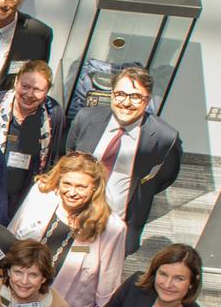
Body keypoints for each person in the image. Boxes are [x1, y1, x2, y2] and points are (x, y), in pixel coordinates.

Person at [65, 64, 181, 254]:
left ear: (147, 100)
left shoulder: (165, 137)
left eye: (135, 96)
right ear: (112, 94)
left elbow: (164, 178)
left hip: (116, 227)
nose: (126, 103)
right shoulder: (86, 118)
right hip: (73, 218)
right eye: (120, 94)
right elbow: (68, 157)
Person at [8, 152, 126, 307]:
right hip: (16, 296)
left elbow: (109, 279)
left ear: (94, 187)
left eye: (81, 187)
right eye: (67, 184)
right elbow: (12, 235)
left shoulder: (111, 227)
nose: (72, 192)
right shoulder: (40, 194)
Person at [0, 60, 67, 217]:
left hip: (25, 199)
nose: (29, 94)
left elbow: (55, 160)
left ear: (47, 90)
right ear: (16, 82)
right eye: (25, 86)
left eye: (37, 90)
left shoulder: (53, 114)